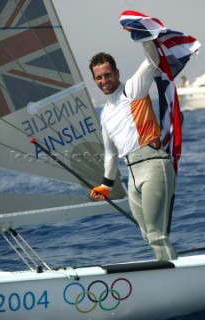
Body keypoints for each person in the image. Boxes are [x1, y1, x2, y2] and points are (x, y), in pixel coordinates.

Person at [89, 41, 178, 261]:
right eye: (99, 77)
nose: (104, 81)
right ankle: (167, 272)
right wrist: (106, 185)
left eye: (107, 75)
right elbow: (111, 154)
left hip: (154, 167)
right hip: (132, 176)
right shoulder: (105, 113)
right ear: (94, 80)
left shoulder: (132, 90)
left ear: (116, 72)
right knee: (147, 235)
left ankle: (172, 281)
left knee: (157, 235)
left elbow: (152, 60)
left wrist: (144, 36)